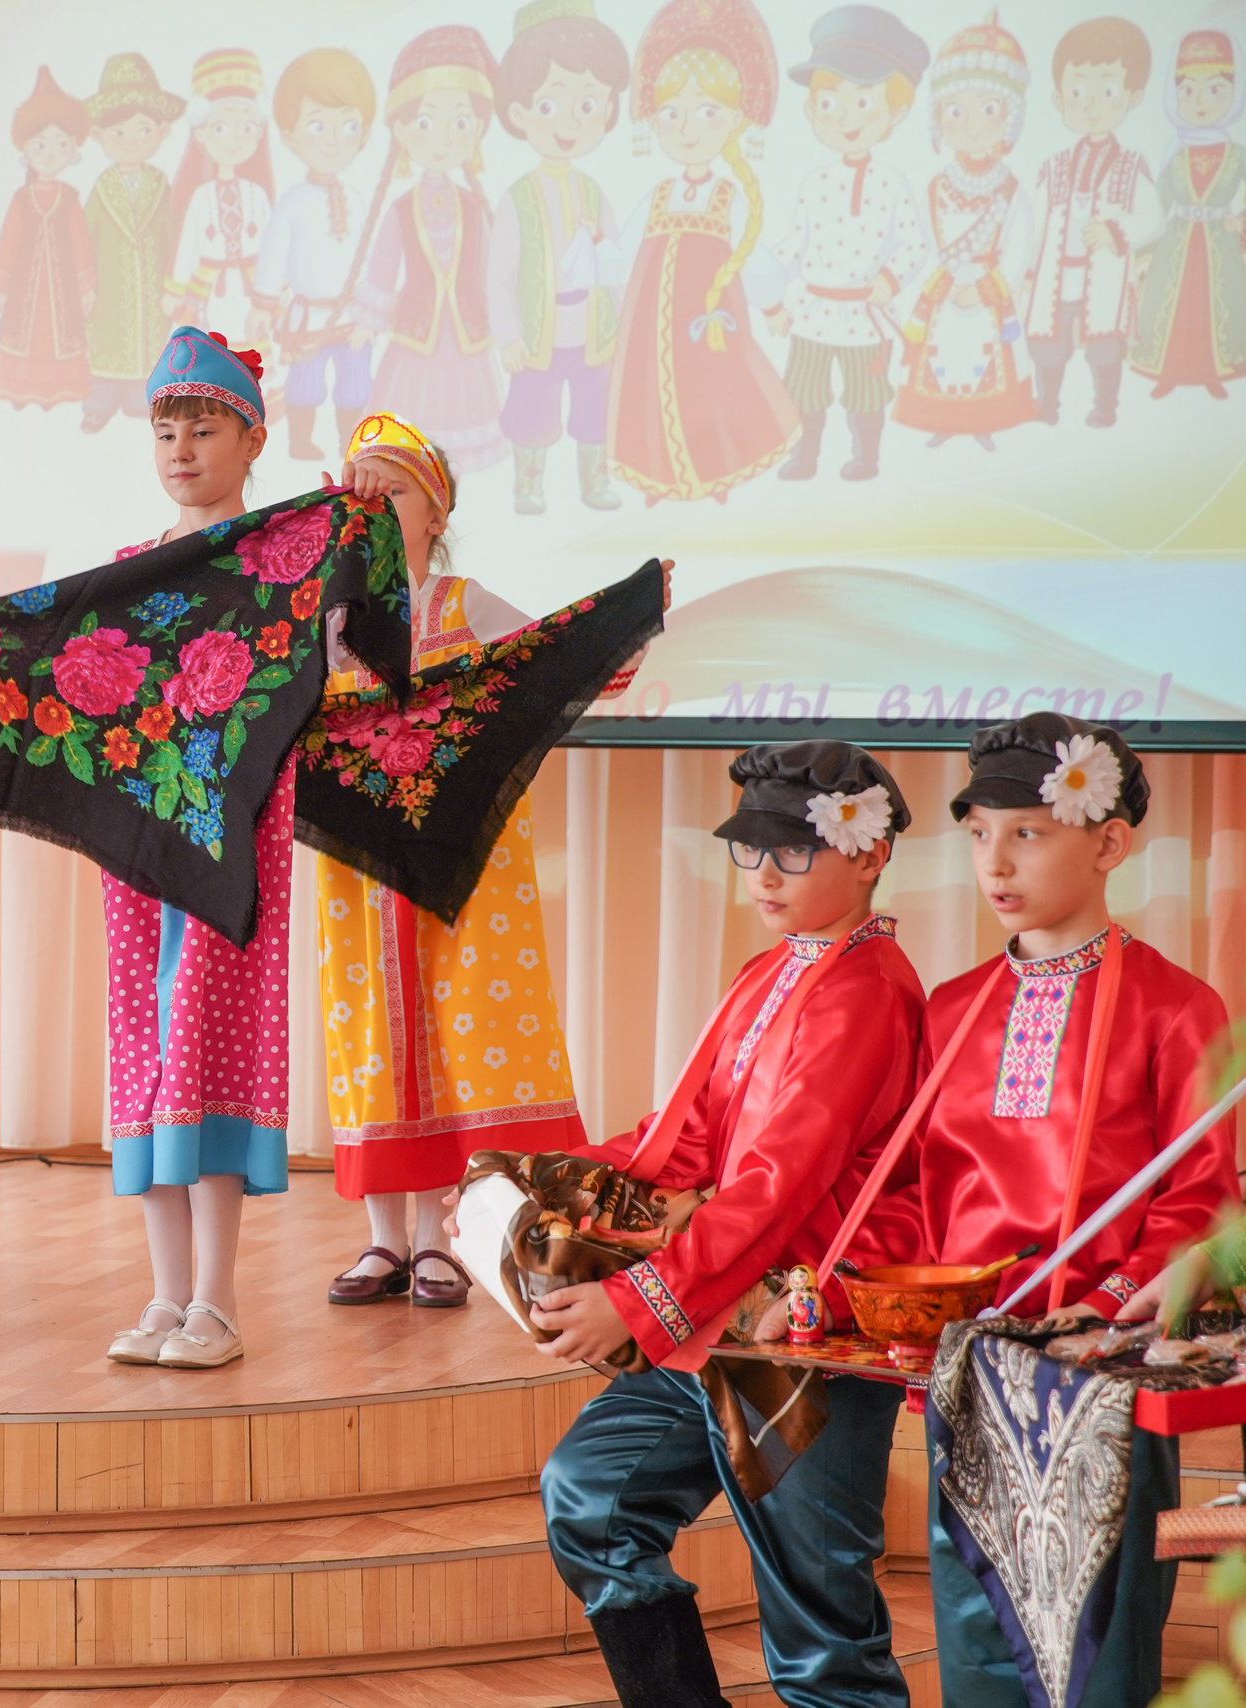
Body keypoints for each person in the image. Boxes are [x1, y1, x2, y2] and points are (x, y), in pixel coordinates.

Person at [530, 743, 927, 1708]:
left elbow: (775, 1189)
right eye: (751, 853)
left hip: (809, 1336)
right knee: (592, 1502)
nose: (761, 876)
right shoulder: (773, 971)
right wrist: (546, 1181)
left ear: (868, 855)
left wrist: (637, 1300)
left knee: (817, 1625)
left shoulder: (866, 989)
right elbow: (691, 1137)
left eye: (792, 853)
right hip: (721, 1309)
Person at [862, 714, 1233, 1708]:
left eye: (1027, 831)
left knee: (1097, 1644)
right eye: (980, 833)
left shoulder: (1174, 1006)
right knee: (975, 1627)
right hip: (971, 1364)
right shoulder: (952, 1006)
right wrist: (851, 1286)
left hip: (1098, 1371)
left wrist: (1112, 1299)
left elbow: (1199, 1194)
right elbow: (910, 1188)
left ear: (1108, 842)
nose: (996, 860)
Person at [319, 409, 588, 1312]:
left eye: (390, 491)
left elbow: (555, 660)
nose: (373, 507)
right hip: (359, 874)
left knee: (458, 1035)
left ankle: (441, 1238)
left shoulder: (463, 606)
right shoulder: (332, 624)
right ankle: (384, 1241)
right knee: (376, 1040)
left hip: (459, 874)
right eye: (357, 493)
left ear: (436, 511)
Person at [100, 327, 288, 1372]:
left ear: (251, 438)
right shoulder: (127, 572)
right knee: (145, 1046)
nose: (180, 447)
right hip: (135, 845)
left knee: (212, 1040)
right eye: (165, 428)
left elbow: (362, 642)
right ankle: (165, 1294)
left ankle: (216, 1298)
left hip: (231, 847)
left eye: (203, 426)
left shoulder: (287, 560)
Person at [607, 0, 801, 504]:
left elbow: (753, 259)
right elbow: (625, 253)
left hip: (710, 327)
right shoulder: (657, 196)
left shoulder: (727, 198)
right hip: (653, 329)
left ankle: (714, 476)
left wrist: (774, 302)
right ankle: (658, 476)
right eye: (672, 114)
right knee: (649, 393)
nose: (687, 128)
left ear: (735, 119)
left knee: (712, 394)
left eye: (706, 112)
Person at [771, 6, 930, 482]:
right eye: (829, 100)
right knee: (805, 390)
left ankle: (867, 457)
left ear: (895, 111)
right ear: (811, 108)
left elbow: (913, 244)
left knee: (867, 394)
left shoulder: (893, 183)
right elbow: (791, 246)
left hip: (866, 314)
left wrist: (888, 278)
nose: (845, 116)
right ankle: (805, 456)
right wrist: (770, 296)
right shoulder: (816, 181)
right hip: (814, 312)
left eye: (864, 100)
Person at [490, 0, 630, 514]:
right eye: (551, 104)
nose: (570, 121)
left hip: (594, 332)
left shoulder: (594, 191)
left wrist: (626, 322)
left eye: (588, 104)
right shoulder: (518, 196)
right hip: (537, 336)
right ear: (520, 111)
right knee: (532, 413)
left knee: (594, 412)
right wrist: (508, 336)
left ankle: (595, 482)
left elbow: (614, 265)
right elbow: (500, 277)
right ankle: (528, 485)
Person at [357, 26, 508, 480]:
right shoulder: (401, 209)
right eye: (426, 122)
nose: (442, 138)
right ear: (401, 129)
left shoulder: (476, 207)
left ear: (478, 128)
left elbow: (488, 272)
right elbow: (383, 268)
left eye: (460, 122)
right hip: (415, 337)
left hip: (467, 336)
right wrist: (367, 321)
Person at [892, 13, 1040, 448]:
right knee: (941, 363)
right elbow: (918, 242)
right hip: (943, 293)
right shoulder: (935, 188)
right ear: (940, 118)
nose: (972, 124)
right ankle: (942, 422)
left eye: (987, 109)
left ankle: (983, 424)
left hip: (987, 297)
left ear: (1008, 117)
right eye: (957, 111)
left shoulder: (1012, 192)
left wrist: (988, 288)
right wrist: (938, 282)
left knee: (986, 361)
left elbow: (1019, 249)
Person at [1021, 17, 1161, 428]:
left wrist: (1115, 231)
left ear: (1133, 97)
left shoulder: (1132, 165)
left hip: (1104, 275)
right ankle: (1047, 406)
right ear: (1058, 97)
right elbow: (1039, 223)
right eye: (1078, 90)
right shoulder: (1054, 166)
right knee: (1048, 343)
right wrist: (1029, 271)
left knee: (1105, 344)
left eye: (1108, 90)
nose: (1091, 104)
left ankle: (1105, 408)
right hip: (1056, 275)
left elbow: (1152, 217)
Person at [251, 48, 377, 461]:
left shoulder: (358, 202)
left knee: (355, 385)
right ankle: (300, 442)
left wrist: (370, 314)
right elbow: (272, 255)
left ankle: (349, 445)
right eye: (318, 125)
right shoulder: (293, 203)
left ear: (364, 133)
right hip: (307, 316)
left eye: (348, 125)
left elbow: (372, 259)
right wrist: (265, 305)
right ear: (289, 136)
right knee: (305, 383)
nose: (333, 139)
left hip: (351, 318)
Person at [1132, 19, 1246, 399]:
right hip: (1176, 242)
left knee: (1216, 307)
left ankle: (1213, 372)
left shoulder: (1237, 154)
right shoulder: (1174, 154)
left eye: (1216, 89)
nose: (1201, 101)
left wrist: (1239, 220)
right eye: (1188, 90)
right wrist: (1143, 252)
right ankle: (1169, 373)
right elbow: (1157, 204)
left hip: (1220, 245)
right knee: (1173, 305)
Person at [80, 54, 185, 432]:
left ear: (161, 132)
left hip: (151, 288)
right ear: (98, 135)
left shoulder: (161, 185)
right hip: (108, 290)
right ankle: (99, 403)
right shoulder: (101, 189)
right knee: (105, 345)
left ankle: (144, 401)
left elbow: (173, 236)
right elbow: (84, 237)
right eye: (118, 133)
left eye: (143, 130)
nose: (130, 142)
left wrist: (175, 283)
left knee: (149, 344)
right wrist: (84, 284)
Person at [0, 68, 96, 411]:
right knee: (23, 337)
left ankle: (59, 390)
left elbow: (81, 246)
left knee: (60, 337)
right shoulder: (22, 199)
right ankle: (21, 390)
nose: (50, 153)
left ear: (72, 149)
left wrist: (87, 286)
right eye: (40, 144)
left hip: (62, 286)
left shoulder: (70, 198)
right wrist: (0, 285)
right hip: (24, 291)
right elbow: (6, 242)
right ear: (26, 148)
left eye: (59, 144)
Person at [162, 48, 272, 355]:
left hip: (250, 293)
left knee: (251, 357)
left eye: (247, 128)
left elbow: (271, 248)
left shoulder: (258, 195)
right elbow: (188, 246)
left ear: (259, 133)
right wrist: (175, 289)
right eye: (222, 128)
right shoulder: (201, 196)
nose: (235, 139)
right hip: (209, 293)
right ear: (201, 135)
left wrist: (278, 291)